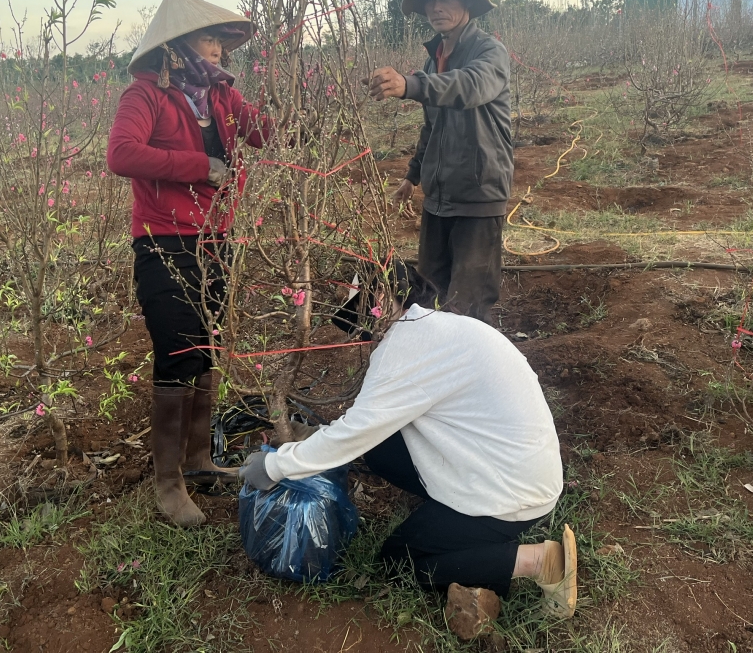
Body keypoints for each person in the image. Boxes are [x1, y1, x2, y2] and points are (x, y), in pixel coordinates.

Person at [240, 262, 576, 617]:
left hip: (512, 496)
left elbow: (357, 430)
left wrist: (276, 465)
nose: (362, 333)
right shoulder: (432, 328)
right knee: (381, 450)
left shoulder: (406, 347)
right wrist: (315, 441)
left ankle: (540, 560)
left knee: (399, 562)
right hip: (512, 467)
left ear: (382, 298)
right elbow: (371, 425)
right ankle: (459, 517)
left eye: (358, 309)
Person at [108, 0, 272, 528]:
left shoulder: (221, 96)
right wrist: (199, 165)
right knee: (177, 352)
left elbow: (263, 133)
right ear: (178, 46)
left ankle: (199, 461)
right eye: (209, 39)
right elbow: (122, 154)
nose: (220, 50)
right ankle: (168, 483)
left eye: (223, 41)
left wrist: (302, 108)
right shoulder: (145, 95)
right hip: (163, 240)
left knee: (206, 347)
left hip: (215, 238)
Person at [367, 0, 513, 323]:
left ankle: (475, 374)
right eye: (430, 0)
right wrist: (413, 176)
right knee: (430, 294)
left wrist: (411, 84)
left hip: (478, 195)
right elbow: (432, 126)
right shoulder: (436, 59)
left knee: (469, 304)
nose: (436, 7)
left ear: (467, 2)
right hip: (439, 199)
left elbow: (470, 86)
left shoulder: (489, 52)